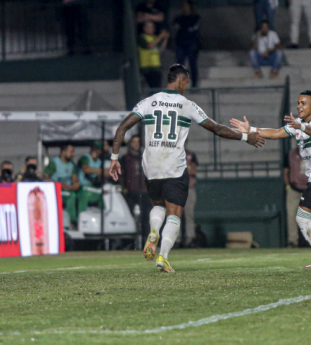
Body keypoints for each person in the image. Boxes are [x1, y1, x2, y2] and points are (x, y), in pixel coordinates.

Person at [110, 64, 265, 272]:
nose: (186, 87)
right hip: (174, 164)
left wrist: (114, 158)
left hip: (151, 165)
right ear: (181, 80)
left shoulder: (147, 102)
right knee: (174, 213)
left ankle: (154, 230)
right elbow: (217, 128)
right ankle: (163, 257)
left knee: (157, 204)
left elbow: (122, 128)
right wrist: (246, 137)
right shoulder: (186, 104)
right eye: (186, 83)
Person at [230, 91, 311, 268]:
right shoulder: (300, 124)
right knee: (305, 219)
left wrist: (301, 126)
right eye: (298, 103)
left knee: (303, 219)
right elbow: (276, 133)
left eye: (304, 103)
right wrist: (251, 130)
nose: (299, 106)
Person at [119, 135, 149, 237]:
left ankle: (146, 240)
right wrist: (123, 187)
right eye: (134, 142)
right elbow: (122, 174)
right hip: (130, 191)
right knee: (129, 216)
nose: (136, 145)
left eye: (138, 142)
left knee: (146, 217)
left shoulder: (146, 157)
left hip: (144, 191)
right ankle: (130, 240)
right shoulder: (125, 158)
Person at [43, 144, 81, 225]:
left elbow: (74, 178)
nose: (73, 154)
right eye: (71, 152)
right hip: (57, 191)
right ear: (63, 152)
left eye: (73, 152)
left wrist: (76, 183)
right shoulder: (54, 163)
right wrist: (58, 184)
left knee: (80, 193)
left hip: (68, 189)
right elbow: (45, 177)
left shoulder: (71, 164)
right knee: (71, 195)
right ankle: (73, 220)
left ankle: (81, 218)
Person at [284, 140, 309, 247]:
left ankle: (309, 240)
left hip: (308, 190)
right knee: (291, 215)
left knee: (308, 217)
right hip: (294, 189)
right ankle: (293, 240)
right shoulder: (290, 154)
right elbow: (285, 171)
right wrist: (288, 186)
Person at [173, 0, 201, 87]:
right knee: (180, 65)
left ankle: (194, 84)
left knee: (193, 64)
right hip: (180, 44)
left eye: (186, 6)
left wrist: (183, 28)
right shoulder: (178, 18)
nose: (185, 8)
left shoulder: (196, 18)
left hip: (192, 44)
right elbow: (175, 27)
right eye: (183, 7)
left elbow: (194, 29)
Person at [138, 21, 168, 89]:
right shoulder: (142, 37)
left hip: (156, 66)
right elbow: (149, 45)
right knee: (151, 88)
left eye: (152, 27)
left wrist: (165, 39)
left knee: (157, 87)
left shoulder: (155, 38)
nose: (150, 29)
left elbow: (161, 49)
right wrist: (161, 36)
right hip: (146, 67)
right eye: (148, 27)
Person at [184, 147, 199, 246]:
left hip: (188, 187)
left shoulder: (190, 154)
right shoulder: (171, 151)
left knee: (189, 214)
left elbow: (193, 171)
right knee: (174, 214)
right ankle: (174, 239)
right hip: (175, 187)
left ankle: (189, 238)